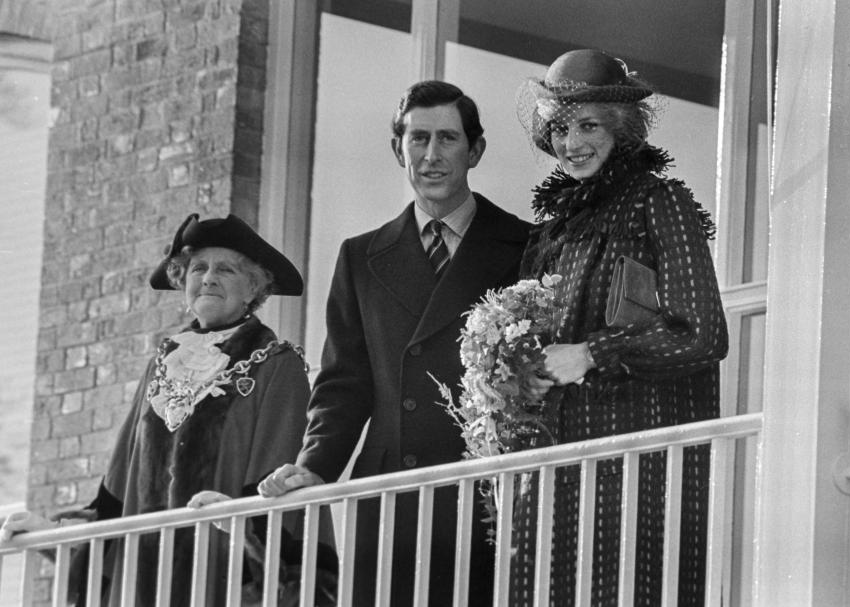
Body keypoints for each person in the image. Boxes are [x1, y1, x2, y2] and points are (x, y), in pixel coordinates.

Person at [257, 80, 531, 606]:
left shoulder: (525, 244)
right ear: (397, 148)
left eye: (448, 139)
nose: (431, 155)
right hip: (389, 495)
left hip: (485, 490)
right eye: (418, 138)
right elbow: (344, 383)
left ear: (475, 150)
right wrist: (315, 464)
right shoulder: (360, 257)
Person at [1, 214, 336, 606]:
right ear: (183, 281)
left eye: (225, 269)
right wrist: (51, 533)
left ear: (253, 288)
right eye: (198, 268)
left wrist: (240, 522)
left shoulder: (277, 364)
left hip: (224, 579)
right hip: (145, 583)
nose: (208, 277)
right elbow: (117, 491)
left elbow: (279, 484)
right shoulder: (162, 362)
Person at [513, 49, 729, 605]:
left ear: (622, 129)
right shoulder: (554, 228)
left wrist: (589, 353)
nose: (571, 143)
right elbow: (541, 345)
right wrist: (528, 372)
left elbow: (702, 333)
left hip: (639, 472)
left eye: (588, 125)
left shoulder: (662, 203)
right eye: (560, 127)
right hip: (557, 467)